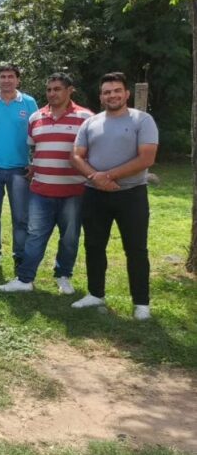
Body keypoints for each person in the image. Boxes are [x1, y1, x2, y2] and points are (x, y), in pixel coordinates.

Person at [71, 72, 158, 319]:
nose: (112, 95)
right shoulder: (91, 122)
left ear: (126, 93)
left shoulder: (143, 120)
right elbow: (76, 156)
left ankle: (141, 303)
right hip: (95, 194)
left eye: (117, 90)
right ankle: (95, 294)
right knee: (94, 245)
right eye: (107, 92)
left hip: (131, 194)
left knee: (136, 249)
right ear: (101, 96)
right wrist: (95, 178)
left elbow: (146, 158)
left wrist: (107, 176)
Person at [0, 73, 93, 294]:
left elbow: (93, 151)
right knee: (35, 235)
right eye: (49, 89)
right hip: (41, 190)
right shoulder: (36, 118)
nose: (52, 93)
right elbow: (34, 149)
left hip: (73, 190)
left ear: (70, 90)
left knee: (69, 237)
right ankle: (25, 279)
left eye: (58, 89)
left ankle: (63, 275)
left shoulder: (86, 118)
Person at [0, 63, 39, 273]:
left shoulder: (29, 103)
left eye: (11, 76)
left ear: (18, 80)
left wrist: (34, 162)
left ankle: (20, 256)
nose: (6, 80)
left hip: (20, 169)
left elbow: (37, 135)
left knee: (21, 217)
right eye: (3, 76)